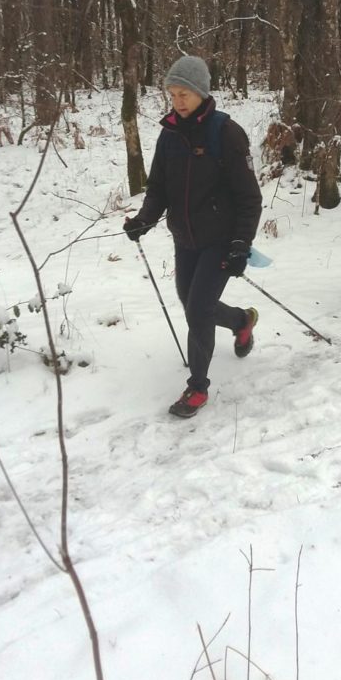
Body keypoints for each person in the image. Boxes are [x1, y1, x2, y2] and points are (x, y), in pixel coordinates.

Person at [123, 55, 263, 418]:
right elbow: (158, 189)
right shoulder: (169, 134)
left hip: (220, 238)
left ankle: (197, 387)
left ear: (201, 92)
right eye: (173, 95)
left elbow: (249, 197)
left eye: (184, 93)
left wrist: (239, 244)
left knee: (198, 308)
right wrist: (144, 220)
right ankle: (241, 321)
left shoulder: (225, 133)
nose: (178, 101)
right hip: (185, 237)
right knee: (191, 303)